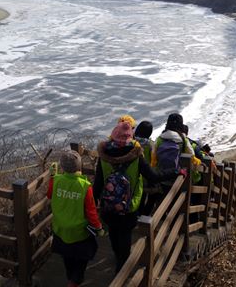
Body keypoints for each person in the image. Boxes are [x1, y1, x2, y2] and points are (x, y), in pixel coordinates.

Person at [94, 119, 184, 272]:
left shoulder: (103, 157)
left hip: (108, 206)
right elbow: (154, 176)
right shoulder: (136, 156)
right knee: (125, 236)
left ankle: (118, 257)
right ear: (130, 137)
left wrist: (94, 206)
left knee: (114, 234)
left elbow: (97, 185)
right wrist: (176, 172)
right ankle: (122, 267)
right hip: (129, 206)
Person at [48, 150, 104, 287]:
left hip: (60, 229)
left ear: (62, 167)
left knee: (67, 257)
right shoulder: (84, 186)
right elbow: (91, 211)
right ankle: (74, 282)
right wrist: (98, 227)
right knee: (81, 259)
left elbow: (49, 195)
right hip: (79, 232)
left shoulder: (56, 180)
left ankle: (70, 278)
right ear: (80, 166)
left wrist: (51, 176)